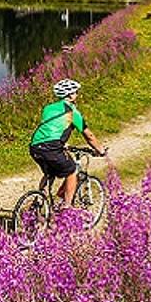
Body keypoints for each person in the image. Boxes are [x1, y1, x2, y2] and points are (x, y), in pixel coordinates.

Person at [29, 78, 107, 207]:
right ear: (70, 95)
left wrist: (62, 144)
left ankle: (38, 199)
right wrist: (101, 150)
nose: (77, 94)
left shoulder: (48, 108)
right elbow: (89, 136)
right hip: (52, 148)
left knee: (50, 172)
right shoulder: (72, 112)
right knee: (72, 171)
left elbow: (50, 128)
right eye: (76, 92)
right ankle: (67, 207)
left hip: (35, 146)